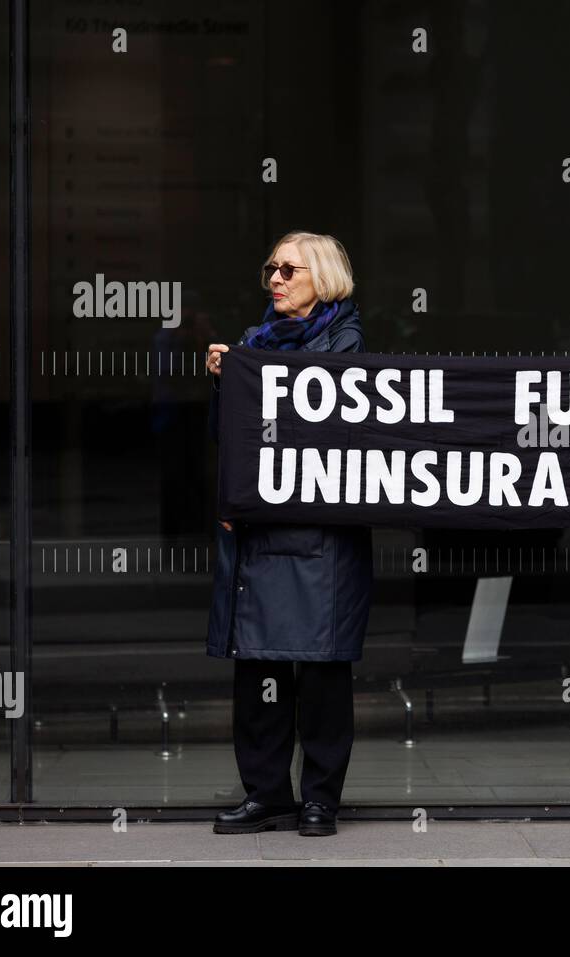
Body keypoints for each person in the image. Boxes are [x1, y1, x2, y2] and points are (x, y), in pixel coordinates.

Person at [204, 231, 373, 837]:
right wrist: (228, 379)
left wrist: (254, 372)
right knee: (261, 670)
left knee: (322, 670)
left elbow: (324, 417)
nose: (274, 279)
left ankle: (320, 800)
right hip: (264, 534)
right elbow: (236, 437)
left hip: (319, 536)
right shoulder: (255, 341)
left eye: (287, 270)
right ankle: (267, 794)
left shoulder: (345, 339)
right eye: (270, 269)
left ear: (321, 279)